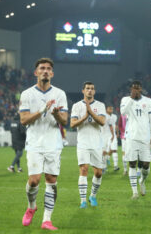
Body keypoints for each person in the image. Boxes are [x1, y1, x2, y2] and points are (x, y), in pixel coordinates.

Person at [19, 58, 68, 230]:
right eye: (42, 68)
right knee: (34, 181)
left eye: (48, 69)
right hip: (34, 142)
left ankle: (47, 219)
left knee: (51, 180)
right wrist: (42, 110)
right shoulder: (27, 94)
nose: (45, 71)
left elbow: (65, 121)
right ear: (36, 72)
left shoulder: (60, 94)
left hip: (53, 143)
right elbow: (24, 120)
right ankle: (32, 207)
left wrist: (55, 114)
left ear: (52, 73)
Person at [70, 81, 106, 209]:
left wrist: (91, 113)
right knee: (84, 169)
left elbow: (102, 122)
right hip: (83, 143)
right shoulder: (76, 106)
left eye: (92, 88)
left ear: (94, 91)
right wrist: (85, 116)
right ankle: (83, 200)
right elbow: (72, 124)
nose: (89, 90)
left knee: (98, 173)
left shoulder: (100, 105)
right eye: (87, 88)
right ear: (83, 91)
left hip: (96, 143)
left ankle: (93, 196)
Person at [120, 81, 151, 199]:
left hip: (145, 137)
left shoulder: (148, 101)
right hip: (131, 137)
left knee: (146, 165)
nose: (136, 90)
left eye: (138, 88)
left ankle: (142, 181)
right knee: (132, 164)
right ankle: (134, 192)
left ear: (141, 89)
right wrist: (131, 98)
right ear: (131, 89)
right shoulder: (125, 100)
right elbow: (123, 113)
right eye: (134, 88)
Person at [105, 105, 120, 171]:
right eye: (109, 109)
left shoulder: (115, 116)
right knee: (105, 151)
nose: (111, 110)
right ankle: (104, 167)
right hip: (105, 136)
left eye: (112, 109)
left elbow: (115, 125)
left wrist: (117, 133)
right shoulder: (104, 116)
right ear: (106, 109)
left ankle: (115, 166)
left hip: (113, 135)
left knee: (114, 150)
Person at [102, 105, 116, 173]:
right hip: (102, 136)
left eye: (111, 108)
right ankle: (103, 166)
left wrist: (113, 135)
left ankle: (104, 166)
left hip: (108, 136)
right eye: (109, 108)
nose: (111, 110)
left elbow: (111, 127)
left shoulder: (110, 117)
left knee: (106, 151)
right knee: (103, 151)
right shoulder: (102, 116)